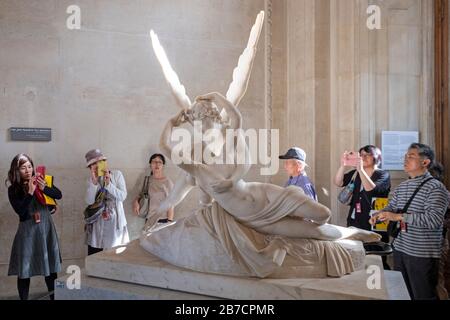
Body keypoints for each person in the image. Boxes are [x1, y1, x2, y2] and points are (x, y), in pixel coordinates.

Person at [159, 92, 381, 243]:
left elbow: (237, 119)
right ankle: (351, 234)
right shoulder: (196, 170)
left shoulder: (229, 142)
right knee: (316, 232)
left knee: (323, 214)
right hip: (251, 216)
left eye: (205, 121)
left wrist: (216, 96)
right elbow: (165, 148)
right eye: (198, 124)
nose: (203, 128)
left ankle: (346, 231)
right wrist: (172, 123)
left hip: (264, 194)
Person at [370, 143, 449, 300]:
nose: (405, 159)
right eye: (405, 156)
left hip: (422, 253)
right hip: (400, 248)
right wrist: (379, 214)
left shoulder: (436, 188)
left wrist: (399, 217)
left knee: (423, 295)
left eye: (411, 156)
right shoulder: (403, 186)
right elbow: (391, 207)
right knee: (404, 294)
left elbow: (433, 220)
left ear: (425, 162)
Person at [6, 154, 62, 300]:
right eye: (23, 168)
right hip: (27, 233)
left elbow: (59, 195)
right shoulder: (14, 189)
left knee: (50, 269)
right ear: (16, 170)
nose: (28, 170)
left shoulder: (41, 180)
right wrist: (30, 192)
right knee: (24, 271)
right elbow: (21, 213)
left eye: (30, 166)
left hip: (46, 230)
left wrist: (44, 189)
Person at [334, 145, 391, 268]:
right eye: (361, 155)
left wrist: (360, 170)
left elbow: (370, 189)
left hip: (374, 222)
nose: (363, 157)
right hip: (355, 220)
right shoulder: (356, 173)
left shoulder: (383, 174)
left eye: (368, 154)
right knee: (355, 254)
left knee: (375, 259)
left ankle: (375, 284)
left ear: (377, 157)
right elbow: (338, 182)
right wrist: (343, 164)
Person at [84, 149, 129, 255]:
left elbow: (122, 196)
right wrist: (94, 183)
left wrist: (109, 183)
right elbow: (89, 201)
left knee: (114, 253)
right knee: (95, 252)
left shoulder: (117, 175)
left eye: (101, 161)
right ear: (90, 167)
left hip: (115, 221)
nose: (98, 165)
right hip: (97, 221)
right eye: (94, 164)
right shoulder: (91, 180)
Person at [133, 153, 174, 229]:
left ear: (163, 166)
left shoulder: (168, 182)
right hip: (149, 220)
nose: (157, 164)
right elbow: (139, 195)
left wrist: (169, 222)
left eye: (160, 162)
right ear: (150, 165)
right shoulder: (147, 180)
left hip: (162, 221)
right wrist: (136, 202)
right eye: (154, 162)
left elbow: (171, 204)